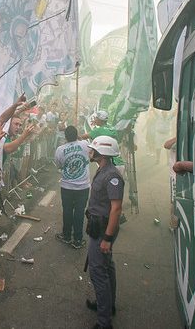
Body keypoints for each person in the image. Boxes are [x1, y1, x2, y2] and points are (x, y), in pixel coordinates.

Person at [85, 135, 124, 329]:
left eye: (93, 149)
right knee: (107, 267)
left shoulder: (112, 176)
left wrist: (107, 238)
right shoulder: (103, 170)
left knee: (99, 272)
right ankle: (107, 306)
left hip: (103, 229)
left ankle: (104, 322)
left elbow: (116, 209)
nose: (90, 151)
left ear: (102, 153)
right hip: (98, 226)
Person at [54, 126, 91, 249]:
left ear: (65, 137)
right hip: (83, 186)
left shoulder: (60, 149)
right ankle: (78, 240)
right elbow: (91, 155)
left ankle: (66, 236)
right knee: (79, 212)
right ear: (77, 135)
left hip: (67, 186)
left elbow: (58, 165)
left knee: (68, 211)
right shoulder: (85, 144)